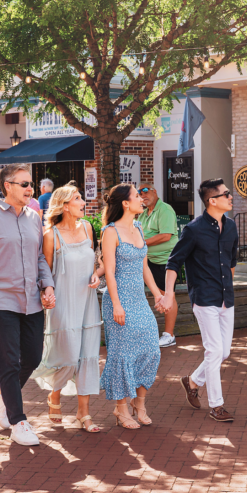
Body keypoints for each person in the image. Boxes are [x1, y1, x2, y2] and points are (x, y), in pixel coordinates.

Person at [0, 164, 55, 446]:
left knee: (33, 357)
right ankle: (18, 421)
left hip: (31, 300)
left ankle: (2, 393)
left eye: (31, 184)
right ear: (7, 185)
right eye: (24, 184)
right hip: (0, 299)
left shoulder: (33, 217)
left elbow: (40, 256)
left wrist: (48, 284)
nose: (30, 189)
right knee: (8, 359)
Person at [163, 178, 239, 423]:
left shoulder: (231, 227)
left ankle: (193, 381)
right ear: (212, 200)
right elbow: (173, 262)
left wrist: (228, 285)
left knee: (223, 351)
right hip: (204, 299)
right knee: (214, 350)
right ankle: (216, 406)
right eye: (226, 193)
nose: (231, 196)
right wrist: (168, 293)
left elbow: (232, 263)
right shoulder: (193, 229)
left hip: (226, 297)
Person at [31, 183, 104, 433]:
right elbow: (45, 271)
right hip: (63, 303)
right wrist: (45, 293)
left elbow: (94, 260)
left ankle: (84, 413)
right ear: (64, 206)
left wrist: (96, 274)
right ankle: (55, 395)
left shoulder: (87, 228)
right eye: (78, 198)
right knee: (69, 356)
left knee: (87, 357)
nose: (83, 202)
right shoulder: (51, 236)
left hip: (87, 301)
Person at [99, 184, 167, 429]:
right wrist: (116, 304)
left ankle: (140, 404)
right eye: (137, 196)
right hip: (118, 300)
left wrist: (158, 295)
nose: (142, 198)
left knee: (151, 350)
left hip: (140, 300)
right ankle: (120, 408)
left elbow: (145, 267)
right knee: (121, 354)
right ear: (126, 204)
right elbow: (109, 271)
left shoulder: (138, 227)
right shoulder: (110, 232)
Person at [137, 184, 180, 347]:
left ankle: (169, 335)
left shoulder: (165, 209)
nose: (143, 195)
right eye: (140, 193)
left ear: (155, 191)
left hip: (164, 260)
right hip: (147, 260)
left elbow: (166, 236)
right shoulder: (143, 213)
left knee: (167, 295)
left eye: (146, 191)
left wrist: (141, 243)